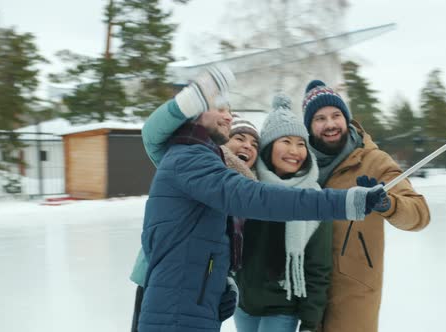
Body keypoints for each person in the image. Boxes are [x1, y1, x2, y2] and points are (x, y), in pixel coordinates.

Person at [136, 66, 387, 332]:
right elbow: (259, 198)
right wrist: (344, 202)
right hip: (177, 309)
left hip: (193, 301)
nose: (228, 117)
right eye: (219, 108)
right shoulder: (190, 159)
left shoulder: (201, 160)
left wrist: (222, 279)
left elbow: (207, 236)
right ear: (195, 112)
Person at [301, 80, 431, 332]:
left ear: (346, 119)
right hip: (302, 289)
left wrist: (387, 204)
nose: (330, 124)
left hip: (354, 289)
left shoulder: (373, 161)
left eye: (336, 115)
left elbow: (419, 214)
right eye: (320, 118)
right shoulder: (298, 162)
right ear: (309, 125)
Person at [129, 111, 260, 332]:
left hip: (204, 290)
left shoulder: (245, 190)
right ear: (223, 138)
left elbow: (227, 245)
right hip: (160, 282)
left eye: (254, 143)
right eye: (240, 138)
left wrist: (228, 283)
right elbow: (151, 133)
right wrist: (189, 101)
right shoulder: (188, 162)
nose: (248, 146)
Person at [233, 93, 332, 332]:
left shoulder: (313, 199)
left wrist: (310, 322)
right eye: (285, 141)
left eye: (301, 144)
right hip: (243, 306)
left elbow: (318, 268)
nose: (295, 151)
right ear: (268, 147)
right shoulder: (248, 188)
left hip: (282, 310)